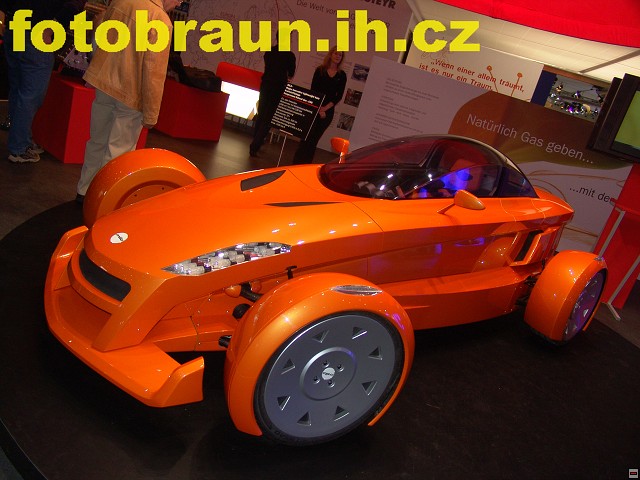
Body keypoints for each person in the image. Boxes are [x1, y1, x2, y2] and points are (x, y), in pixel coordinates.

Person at [76, 0, 182, 203]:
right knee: (118, 153)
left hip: (103, 82)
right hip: (130, 93)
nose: (177, 4)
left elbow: (99, 37)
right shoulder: (160, 20)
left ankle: (83, 192)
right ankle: (104, 202)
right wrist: (151, 114)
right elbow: (154, 72)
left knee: (96, 142)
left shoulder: (122, 2)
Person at [1, 0, 86, 163]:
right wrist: (50, 28)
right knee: (31, 95)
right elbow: (74, 5)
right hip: (38, 32)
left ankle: (22, 138)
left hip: (16, 26)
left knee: (19, 89)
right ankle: (19, 147)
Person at [292, 47, 346, 165]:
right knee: (305, 137)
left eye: (340, 55)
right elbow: (313, 90)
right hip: (314, 108)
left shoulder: (342, 75)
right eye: (336, 53)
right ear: (331, 54)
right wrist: (318, 109)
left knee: (314, 140)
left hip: (327, 112)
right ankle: (295, 164)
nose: (338, 56)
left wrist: (325, 109)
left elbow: (338, 96)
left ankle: (305, 166)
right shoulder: (320, 70)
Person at [249, 39, 296, 157]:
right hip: (278, 87)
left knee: (261, 114)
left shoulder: (270, 51)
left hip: (266, 84)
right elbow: (291, 73)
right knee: (268, 117)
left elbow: (267, 65)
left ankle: (256, 141)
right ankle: (256, 144)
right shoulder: (290, 55)